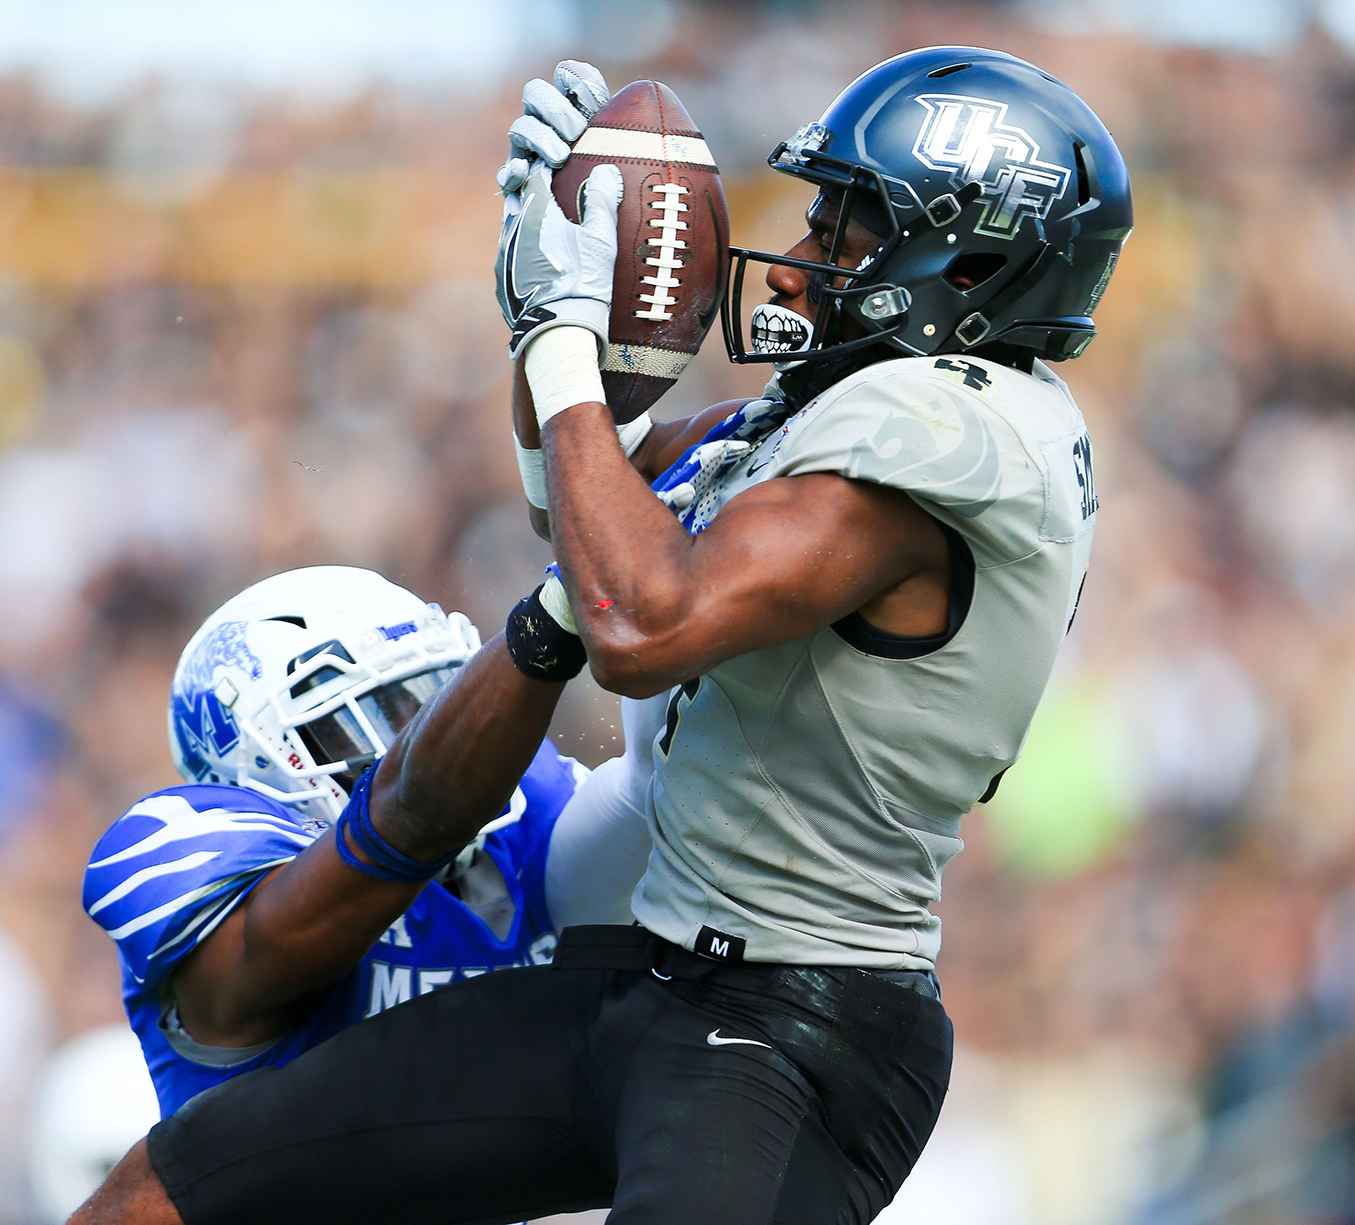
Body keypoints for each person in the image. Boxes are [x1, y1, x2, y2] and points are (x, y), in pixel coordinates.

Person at [73, 45, 1132, 1225]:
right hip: (654, 976)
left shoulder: (950, 426)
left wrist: (568, 336)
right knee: (155, 1198)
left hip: (789, 1024)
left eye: (844, 226)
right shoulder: (868, 409)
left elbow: (633, 618)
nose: (798, 264)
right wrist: (542, 311)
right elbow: (591, 505)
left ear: (967, 250)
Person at [83, 565, 660, 1116]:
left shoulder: (527, 809)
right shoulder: (203, 853)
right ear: (257, 758)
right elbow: (287, 933)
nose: (424, 735)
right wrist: (545, 624)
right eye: (359, 715)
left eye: (428, 699)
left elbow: (654, 795)